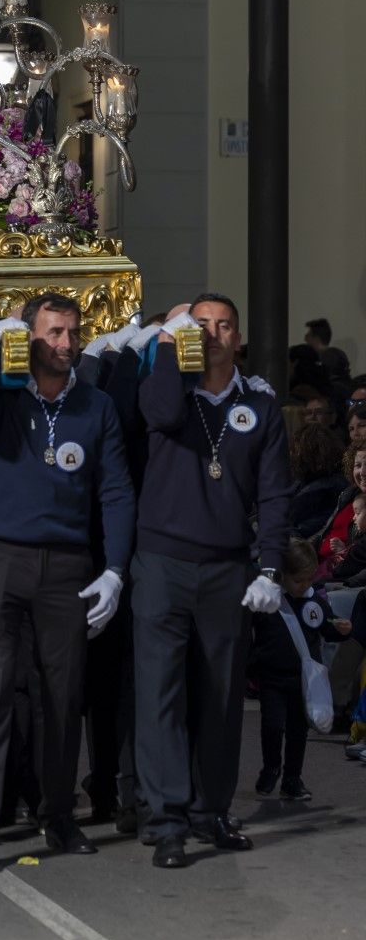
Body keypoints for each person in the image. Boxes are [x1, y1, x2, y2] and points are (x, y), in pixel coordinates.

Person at [0, 294, 135, 874]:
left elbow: (116, 491)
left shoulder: (95, 406)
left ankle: (59, 814)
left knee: (62, 696)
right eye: (53, 333)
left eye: (73, 333)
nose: (66, 344)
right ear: (31, 337)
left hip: (67, 564)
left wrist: (115, 570)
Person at [132, 295, 294, 869]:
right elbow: (155, 411)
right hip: (161, 562)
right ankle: (167, 820)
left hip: (228, 567)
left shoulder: (261, 405)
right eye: (202, 325)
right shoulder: (168, 387)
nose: (215, 334)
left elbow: (274, 492)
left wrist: (270, 566)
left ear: (239, 336)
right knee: (160, 694)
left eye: (224, 325)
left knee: (222, 696)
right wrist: (172, 345)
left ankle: (211, 812)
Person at [250, 536, 351, 799]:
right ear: (282, 575)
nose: (304, 585)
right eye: (298, 580)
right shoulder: (267, 601)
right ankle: (271, 767)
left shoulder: (314, 601)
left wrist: (340, 630)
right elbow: (251, 634)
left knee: (298, 731)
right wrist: (252, 665)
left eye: (308, 579)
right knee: (272, 726)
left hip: (303, 679)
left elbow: (327, 628)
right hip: (272, 676)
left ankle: (293, 779)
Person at [288, 424, 347, 538]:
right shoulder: (305, 481)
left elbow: (299, 532)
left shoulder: (323, 490)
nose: (291, 455)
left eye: (294, 450)